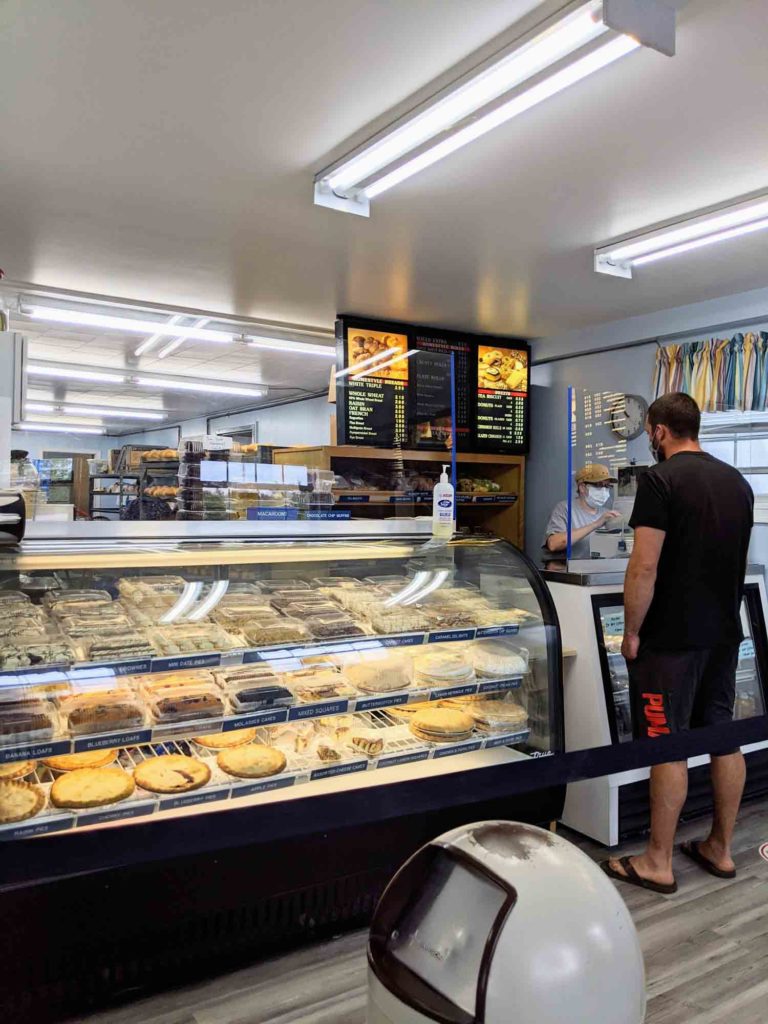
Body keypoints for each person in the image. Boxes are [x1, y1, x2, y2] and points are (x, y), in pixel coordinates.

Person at [603, 392, 753, 895]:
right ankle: (720, 848)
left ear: (659, 431)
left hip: (670, 642)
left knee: (667, 745)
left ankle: (657, 862)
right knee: (722, 738)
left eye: (649, 431)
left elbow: (644, 565)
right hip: (723, 636)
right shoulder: (737, 482)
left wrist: (630, 633)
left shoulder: (659, 480)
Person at [542, 463, 620, 566]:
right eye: (599, 485)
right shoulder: (565, 509)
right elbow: (554, 544)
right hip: (568, 574)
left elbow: (608, 552)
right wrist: (596, 524)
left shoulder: (606, 513)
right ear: (582, 488)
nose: (604, 491)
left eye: (607, 486)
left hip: (594, 571)